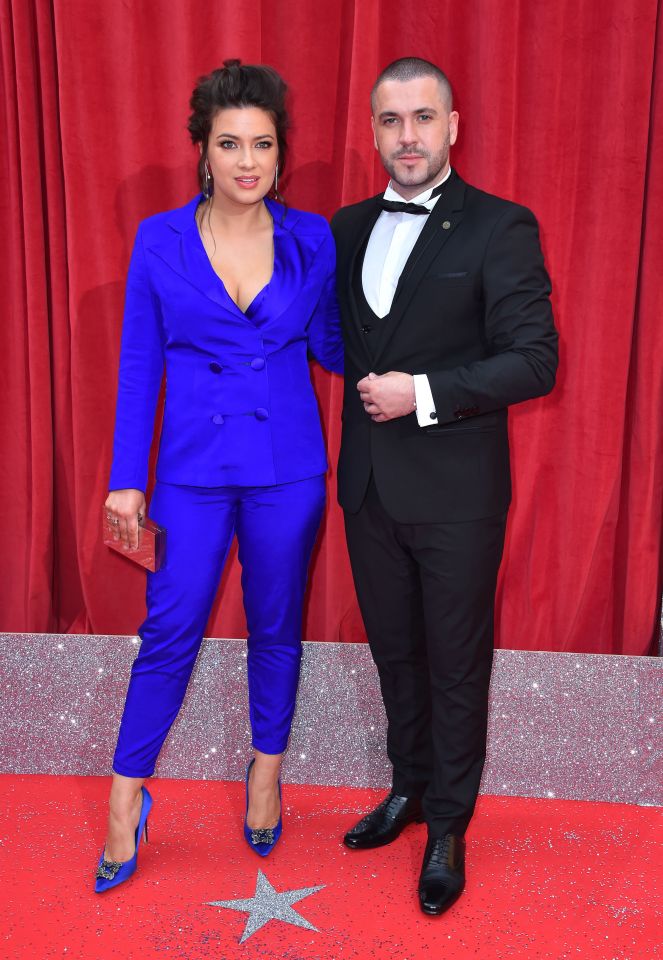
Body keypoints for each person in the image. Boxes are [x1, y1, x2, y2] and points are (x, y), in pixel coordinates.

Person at [96, 59, 343, 892]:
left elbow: (340, 346)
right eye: (229, 143)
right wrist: (127, 479)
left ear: (281, 153)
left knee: (276, 623)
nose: (247, 161)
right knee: (169, 630)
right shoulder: (159, 238)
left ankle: (266, 773)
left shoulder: (313, 238)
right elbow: (138, 365)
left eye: (262, 144)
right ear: (202, 149)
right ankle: (125, 798)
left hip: (289, 474)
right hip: (191, 474)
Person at [331, 57, 558, 916]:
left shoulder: (500, 227)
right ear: (375, 130)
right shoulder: (345, 226)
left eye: (423, 119)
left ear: (453, 126)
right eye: (390, 121)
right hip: (367, 489)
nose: (408, 138)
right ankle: (408, 790)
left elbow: (534, 360)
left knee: (456, 664)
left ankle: (450, 828)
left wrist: (420, 394)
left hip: (459, 491)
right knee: (396, 654)